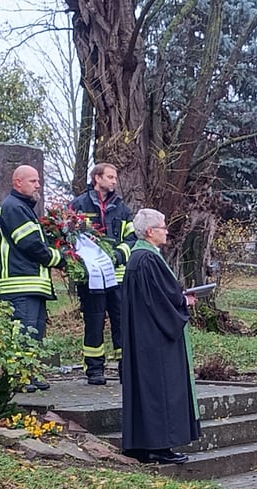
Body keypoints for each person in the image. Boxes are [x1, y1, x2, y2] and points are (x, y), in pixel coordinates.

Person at [119, 208, 200, 464]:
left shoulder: (139, 257)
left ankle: (141, 445)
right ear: (151, 231)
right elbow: (162, 300)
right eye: (163, 227)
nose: (167, 231)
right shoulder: (148, 260)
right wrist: (183, 300)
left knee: (146, 389)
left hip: (142, 335)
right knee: (160, 388)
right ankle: (159, 446)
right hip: (155, 338)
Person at [0, 165, 66, 392]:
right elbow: (31, 244)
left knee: (34, 333)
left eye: (38, 181)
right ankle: (20, 377)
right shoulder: (13, 207)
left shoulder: (23, 207)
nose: (38, 185)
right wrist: (58, 258)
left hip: (32, 283)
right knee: (24, 332)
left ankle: (30, 373)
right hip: (20, 283)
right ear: (17, 182)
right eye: (33, 181)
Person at [69, 163, 137, 385]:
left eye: (115, 177)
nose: (114, 181)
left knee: (121, 322)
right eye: (110, 177)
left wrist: (118, 255)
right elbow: (69, 238)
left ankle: (125, 368)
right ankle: (95, 370)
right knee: (94, 322)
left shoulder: (121, 208)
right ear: (97, 178)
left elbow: (131, 238)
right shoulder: (78, 205)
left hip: (117, 277)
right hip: (91, 278)